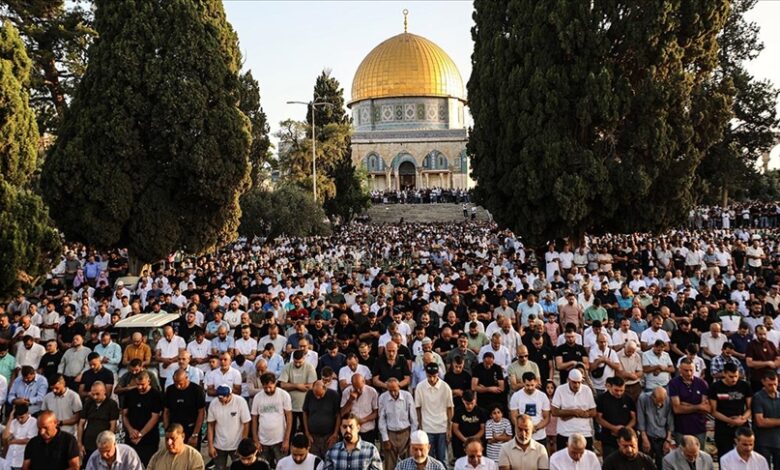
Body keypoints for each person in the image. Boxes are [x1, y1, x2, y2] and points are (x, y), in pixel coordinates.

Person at [707, 361, 752, 461]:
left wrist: (742, 418)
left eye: (736, 376)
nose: (734, 379)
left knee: (744, 456)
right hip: (723, 426)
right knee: (724, 457)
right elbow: (713, 411)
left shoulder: (744, 385)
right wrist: (730, 421)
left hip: (741, 424)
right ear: (724, 374)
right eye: (731, 376)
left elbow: (750, 408)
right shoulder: (715, 387)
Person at [414, 362, 454, 464]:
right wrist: (420, 426)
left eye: (434, 376)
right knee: (428, 459)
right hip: (427, 427)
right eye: (429, 376)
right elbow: (418, 408)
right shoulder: (420, 387)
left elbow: (450, 408)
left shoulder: (445, 387)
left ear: (438, 374)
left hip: (442, 427)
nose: (432, 379)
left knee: (442, 459)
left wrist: (449, 428)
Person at [250, 372, 292, 467]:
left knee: (283, 466)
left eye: (270, 387)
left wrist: (286, 439)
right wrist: (256, 440)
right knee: (262, 466)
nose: (268, 390)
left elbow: (289, 418)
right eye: (265, 388)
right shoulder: (258, 397)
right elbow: (254, 419)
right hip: (263, 441)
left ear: (275, 383)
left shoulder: (284, 395)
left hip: (280, 440)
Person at [121, 371, 162, 466]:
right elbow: (124, 415)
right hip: (131, 437)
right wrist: (130, 430)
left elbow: (154, 417)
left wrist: (140, 434)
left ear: (149, 381)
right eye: (138, 384)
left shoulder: (155, 395)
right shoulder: (130, 394)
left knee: (150, 465)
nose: (140, 387)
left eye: (142, 384)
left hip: (149, 438)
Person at [207, 385, 251, 470]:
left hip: (237, 445)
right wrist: (210, 446)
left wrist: (242, 445)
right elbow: (210, 425)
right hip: (219, 445)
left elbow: (246, 423)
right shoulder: (214, 403)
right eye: (220, 399)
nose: (222, 402)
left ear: (230, 395)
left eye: (224, 399)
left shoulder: (240, 401)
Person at [550, 369, 596, 451]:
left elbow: (593, 412)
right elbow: (554, 411)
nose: (577, 385)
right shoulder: (560, 390)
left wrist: (567, 414)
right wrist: (574, 412)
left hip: (584, 432)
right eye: (574, 382)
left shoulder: (586, 390)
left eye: (579, 382)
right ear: (568, 380)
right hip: (565, 433)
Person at [377, 377, 417, 470]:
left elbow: (414, 419)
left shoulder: (407, 396)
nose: (393, 393)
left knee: (408, 463)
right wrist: (385, 439)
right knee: (389, 465)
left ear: (399, 387)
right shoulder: (383, 397)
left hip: (405, 433)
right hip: (390, 433)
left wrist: (412, 438)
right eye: (390, 391)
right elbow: (382, 420)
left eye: (395, 390)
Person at [668, 358, 710, 448]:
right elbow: (677, 409)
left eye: (691, 370)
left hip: (699, 427)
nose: (689, 373)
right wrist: (698, 407)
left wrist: (686, 405)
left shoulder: (702, 384)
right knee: (681, 456)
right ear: (680, 370)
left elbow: (705, 408)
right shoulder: (673, 383)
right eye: (686, 370)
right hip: (681, 427)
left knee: (700, 456)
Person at [163, 369, 206, 447]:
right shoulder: (170, 390)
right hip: (174, 428)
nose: (178, 386)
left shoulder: (196, 390)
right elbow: (166, 411)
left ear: (186, 378)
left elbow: (201, 413)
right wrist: (167, 430)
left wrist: (195, 434)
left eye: (180, 383)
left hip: (190, 428)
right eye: (175, 383)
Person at [79, 381, 120, 464]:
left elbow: (113, 426)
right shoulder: (88, 403)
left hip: (103, 443)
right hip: (88, 443)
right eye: (93, 394)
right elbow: (81, 424)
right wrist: (79, 443)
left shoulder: (112, 404)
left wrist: (109, 443)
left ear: (104, 391)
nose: (95, 397)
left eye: (97, 394)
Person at [596, 377, 636, 458]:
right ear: (609, 387)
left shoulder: (628, 399)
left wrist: (624, 430)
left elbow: (634, 418)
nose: (619, 393)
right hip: (608, 438)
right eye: (616, 390)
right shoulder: (601, 399)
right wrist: (613, 428)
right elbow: (598, 418)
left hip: (626, 439)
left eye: (621, 390)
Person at [636, 387, 674, 470]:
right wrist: (644, 439)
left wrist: (668, 440)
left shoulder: (668, 399)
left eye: (662, 401)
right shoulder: (643, 398)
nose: (660, 404)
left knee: (662, 464)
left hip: (662, 437)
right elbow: (641, 420)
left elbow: (670, 421)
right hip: (647, 435)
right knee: (645, 464)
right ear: (652, 397)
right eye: (658, 401)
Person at [280, 350, 317, 434]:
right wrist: (298, 386)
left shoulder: (309, 367)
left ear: (304, 358)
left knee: (306, 430)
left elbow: (310, 387)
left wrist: (290, 385)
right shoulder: (287, 367)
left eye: (299, 362)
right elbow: (283, 385)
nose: (297, 364)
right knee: (290, 431)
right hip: (290, 405)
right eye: (295, 362)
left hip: (305, 406)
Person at [508, 372, 550, 446]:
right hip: (522, 436)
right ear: (523, 383)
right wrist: (525, 429)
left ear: (536, 383)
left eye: (532, 385)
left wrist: (535, 428)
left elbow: (546, 418)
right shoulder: (516, 396)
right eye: (527, 385)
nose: (530, 388)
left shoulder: (542, 396)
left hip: (539, 436)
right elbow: (514, 417)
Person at [303, 380, 341, 459]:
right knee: (315, 461)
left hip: (328, 436)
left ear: (325, 388)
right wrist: (307, 433)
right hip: (313, 437)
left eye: (320, 395)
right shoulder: (309, 394)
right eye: (315, 394)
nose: (317, 397)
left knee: (329, 460)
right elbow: (305, 413)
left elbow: (338, 415)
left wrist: (335, 434)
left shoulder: (334, 395)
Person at [753, 370, 780, 468]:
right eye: (770, 385)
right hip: (763, 442)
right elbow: (760, 422)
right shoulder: (758, 397)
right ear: (763, 382)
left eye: (775, 384)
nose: (773, 387)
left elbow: (764, 421)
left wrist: (769, 421)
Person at [452, 391, 486, 460]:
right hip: (461, 442)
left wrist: (473, 439)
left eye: (472, 403)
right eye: (467, 404)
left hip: (477, 442)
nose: (470, 406)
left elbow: (483, 429)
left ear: (475, 400)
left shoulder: (481, 411)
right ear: (463, 400)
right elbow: (455, 428)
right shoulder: (458, 411)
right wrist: (465, 440)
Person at [3, 404, 38, 470]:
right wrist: (10, 419)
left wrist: (13, 441)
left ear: (27, 413)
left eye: (22, 417)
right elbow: (5, 436)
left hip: (21, 461)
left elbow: (30, 440)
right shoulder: (14, 421)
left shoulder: (33, 422)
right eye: (17, 417)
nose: (19, 420)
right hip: (9, 460)